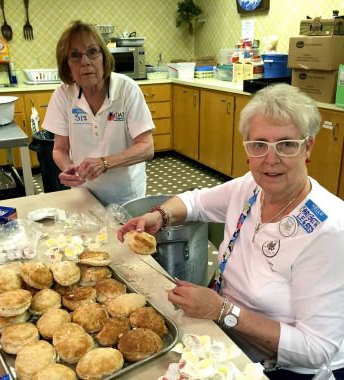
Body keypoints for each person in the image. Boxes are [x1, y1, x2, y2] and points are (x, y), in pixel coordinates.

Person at [118, 84, 344, 379]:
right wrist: (160, 215)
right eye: (259, 144)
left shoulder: (329, 231)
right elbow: (196, 201)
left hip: (284, 367)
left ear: (308, 148)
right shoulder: (251, 186)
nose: (270, 158)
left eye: (286, 144)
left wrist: (223, 311)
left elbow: (317, 348)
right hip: (227, 336)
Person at [43, 20, 155, 205]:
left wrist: (105, 162)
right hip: (83, 195)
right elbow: (59, 149)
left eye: (92, 52)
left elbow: (147, 147)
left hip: (126, 195)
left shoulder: (126, 89)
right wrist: (68, 168)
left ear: (104, 56)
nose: (85, 62)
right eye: (75, 55)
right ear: (67, 66)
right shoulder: (63, 95)